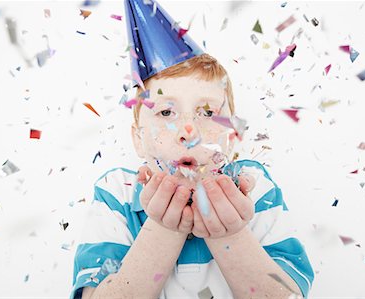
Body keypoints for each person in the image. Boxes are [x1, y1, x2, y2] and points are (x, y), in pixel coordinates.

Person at [70, 1, 314, 298]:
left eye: (208, 113)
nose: (189, 132)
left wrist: (232, 234)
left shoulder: (253, 186)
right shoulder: (116, 193)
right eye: (165, 113)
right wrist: (164, 229)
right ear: (138, 138)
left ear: (232, 136)